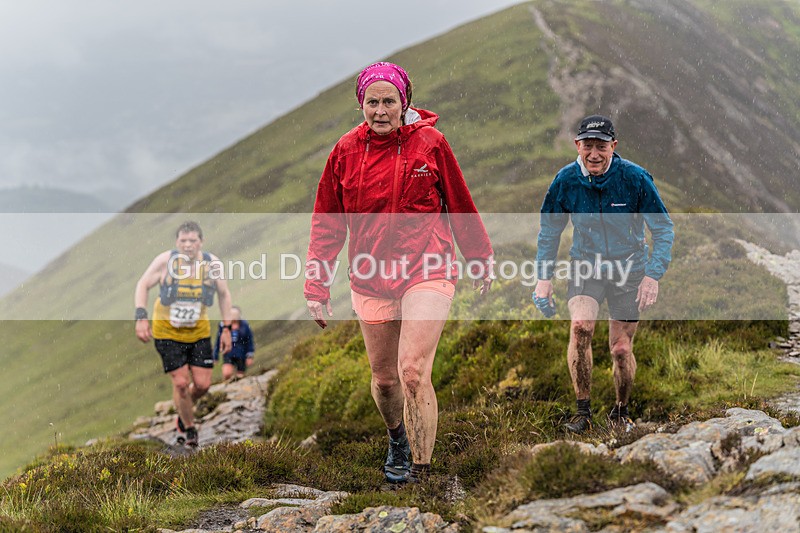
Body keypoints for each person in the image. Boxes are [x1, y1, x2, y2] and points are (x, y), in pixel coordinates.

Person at [304, 62, 494, 484]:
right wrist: (316, 284)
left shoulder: (431, 144)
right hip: (371, 275)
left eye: (389, 101)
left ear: (404, 102)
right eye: (372, 102)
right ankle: (397, 439)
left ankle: (422, 475)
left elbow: (459, 202)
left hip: (428, 266)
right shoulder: (345, 151)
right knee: (386, 380)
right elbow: (327, 223)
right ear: (361, 104)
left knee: (411, 371)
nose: (381, 111)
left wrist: (479, 255)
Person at [533, 115, 674, 434]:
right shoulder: (566, 180)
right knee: (580, 328)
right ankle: (583, 413)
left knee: (621, 350)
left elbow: (663, 228)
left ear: (613, 146)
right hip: (586, 266)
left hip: (630, 269)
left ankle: (621, 412)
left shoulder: (634, 178)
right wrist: (544, 278)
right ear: (577, 146)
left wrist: (652, 275)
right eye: (588, 146)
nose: (594, 154)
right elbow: (550, 230)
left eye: (601, 146)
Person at [134, 221, 233, 447]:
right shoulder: (165, 261)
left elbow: (224, 295)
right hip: (167, 332)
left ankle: (182, 410)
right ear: (177, 242)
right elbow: (143, 284)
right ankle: (189, 430)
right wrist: (141, 316)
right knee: (180, 383)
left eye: (193, 240)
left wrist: (226, 328)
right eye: (183, 240)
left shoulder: (212, 264)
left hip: (198, 333)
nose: (188, 245)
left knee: (202, 385)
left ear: (201, 242)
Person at [214, 305, 255, 381]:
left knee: (240, 375)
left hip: (241, 354)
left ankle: (238, 386)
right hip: (228, 353)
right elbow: (218, 341)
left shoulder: (245, 326)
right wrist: (215, 355)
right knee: (227, 373)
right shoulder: (223, 326)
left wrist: (250, 355)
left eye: (235, 315)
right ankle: (227, 385)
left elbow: (249, 341)